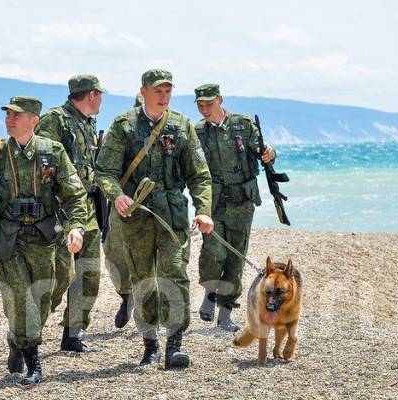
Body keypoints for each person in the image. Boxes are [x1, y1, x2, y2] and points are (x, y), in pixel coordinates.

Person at [0, 96, 87, 386]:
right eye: (8, 114)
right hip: (6, 239)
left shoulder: (52, 151)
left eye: (17, 115)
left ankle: (16, 339)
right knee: (21, 300)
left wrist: (77, 228)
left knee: (44, 299)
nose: (10, 119)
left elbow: (75, 195)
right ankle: (34, 364)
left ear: (34, 120)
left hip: (44, 238)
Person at [95, 69, 214, 369]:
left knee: (175, 275)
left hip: (172, 216)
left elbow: (199, 175)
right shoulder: (124, 126)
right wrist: (116, 195)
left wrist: (203, 210)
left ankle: (175, 344)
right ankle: (150, 346)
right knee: (144, 279)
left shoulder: (181, 125)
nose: (164, 96)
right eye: (158, 90)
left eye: (168, 90)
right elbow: (104, 172)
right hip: (136, 217)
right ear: (143, 91)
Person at [193, 84, 275, 332]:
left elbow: (264, 150)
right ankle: (210, 291)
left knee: (236, 257)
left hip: (242, 200)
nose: (205, 109)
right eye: (200, 105)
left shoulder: (243, 125)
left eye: (209, 103)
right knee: (213, 252)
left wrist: (270, 154)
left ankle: (226, 312)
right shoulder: (197, 132)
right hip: (213, 201)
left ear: (220, 100)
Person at [35, 75, 105, 352]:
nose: (101, 99)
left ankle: (72, 335)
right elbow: (43, 166)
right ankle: (28, 334)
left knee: (89, 275)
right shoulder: (56, 120)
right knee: (59, 275)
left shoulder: (87, 123)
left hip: (87, 207)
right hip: (62, 209)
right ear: (91, 94)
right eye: (99, 94)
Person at [102, 92, 144, 329]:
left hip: (152, 205)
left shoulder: (167, 133)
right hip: (121, 202)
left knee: (152, 259)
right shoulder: (118, 132)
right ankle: (126, 295)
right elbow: (105, 168)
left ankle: (147, 308)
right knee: (115, 254)